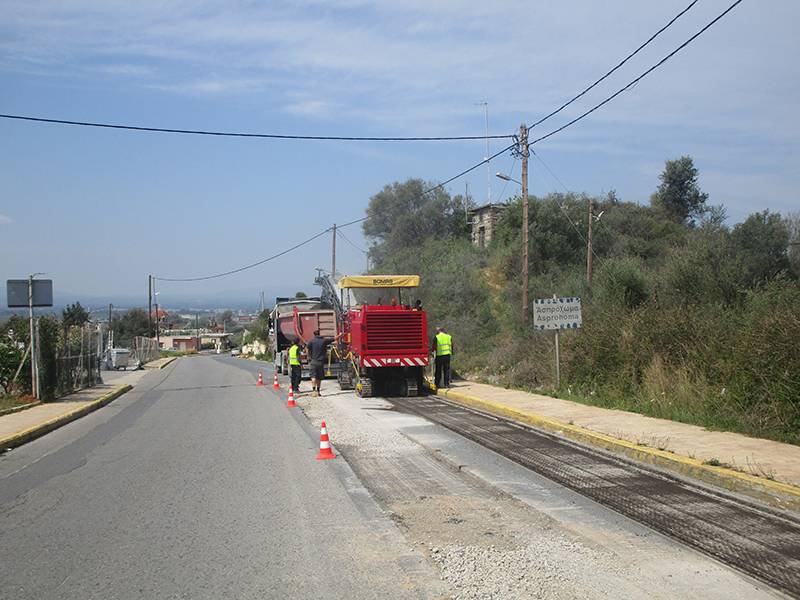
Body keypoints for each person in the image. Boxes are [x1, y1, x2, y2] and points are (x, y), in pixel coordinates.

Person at [306, 329, 341, 397]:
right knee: (319, 378)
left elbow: (307, 348)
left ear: (314, 334)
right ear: (319, 334)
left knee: (313, 377)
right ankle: (318, 392)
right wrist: (340, 335)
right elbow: (333, 339)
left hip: (313, 361)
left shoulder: (311, 341)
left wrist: (309, 356)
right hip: (321, 362)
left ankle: (313, 391)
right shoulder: (324, 341)